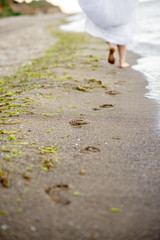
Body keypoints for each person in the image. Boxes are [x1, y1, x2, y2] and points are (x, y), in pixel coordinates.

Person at [78, 0, 139, 68]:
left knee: (107, 26)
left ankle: (111, 45)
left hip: (106, 8)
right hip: (121, 8)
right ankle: (122, 62)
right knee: (122, 31)